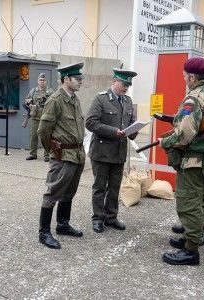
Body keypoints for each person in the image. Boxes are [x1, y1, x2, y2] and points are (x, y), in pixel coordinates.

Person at [160, 57, 204, 265]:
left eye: (184, 76)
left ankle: (191, 250)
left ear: (192, 77)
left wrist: (166, 141)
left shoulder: (194, 98)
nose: (184, 79)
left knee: (189, 202)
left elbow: (184, 135)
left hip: (195, 160)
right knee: (202, 198)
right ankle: (194, 236)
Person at [37, 63, 85, 249]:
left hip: (77, 154)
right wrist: (53, 150)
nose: (80, 81)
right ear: (66, 79)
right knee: (53, 192)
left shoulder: (74, 99)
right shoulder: (55, 100)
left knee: (69, 192)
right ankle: (44, 232)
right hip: (62, 154)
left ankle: (63, 225)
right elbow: (43, 130)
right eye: (77, 79)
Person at [85, 68, 138, 233]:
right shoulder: (100, 99)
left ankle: (111, 217)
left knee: (114, 187)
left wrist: (134, 129)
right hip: (101, 151)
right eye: (123, 83)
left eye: (128, 85)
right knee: (100, 187)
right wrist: (114, 131)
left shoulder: (128, 101)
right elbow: (91, 123)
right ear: (114, 81)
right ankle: (97, 218)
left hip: (119, 152)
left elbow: (131, 122)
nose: (126, 88)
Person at [25, 73, 54, 162]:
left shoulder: (50, 92)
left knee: (45, 137)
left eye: (43, 80)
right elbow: (26, 100)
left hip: (45, 118)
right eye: (40, 80)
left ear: (46, 81)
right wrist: (30, 103)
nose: (42, 82)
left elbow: (54, 103)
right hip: (35, 117)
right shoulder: (33, 91)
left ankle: (47, 155)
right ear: (38, 81)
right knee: (33, 136)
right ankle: (33, 154)